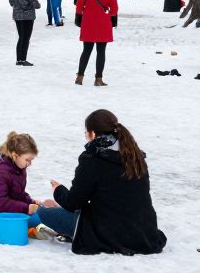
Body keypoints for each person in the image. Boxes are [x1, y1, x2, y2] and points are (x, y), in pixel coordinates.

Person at [48, 109, 167, 254]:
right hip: (144, 235)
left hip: (107, 233)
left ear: (92, 133)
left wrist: (58, 190)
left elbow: (73, 203)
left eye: (86, 133)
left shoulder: (93, 159)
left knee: (44, 212)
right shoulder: (135, 157)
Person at [0, 131, 71, 240]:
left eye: (31, 160)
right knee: (42, 216)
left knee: (45, 211)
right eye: (27, 160)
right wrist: (27, 208)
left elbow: (18, 193)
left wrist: (32, 202)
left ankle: (59, 223)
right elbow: (2, 202)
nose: (29, 163)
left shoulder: (19, 169)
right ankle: (61, 226)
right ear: (15, 156)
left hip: (7, 212)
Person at [75, 0, 118, 86]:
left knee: (86, 51)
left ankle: (80, 77)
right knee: (101, 51)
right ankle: (98, 79)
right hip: (103, 23)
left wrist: (78, 17)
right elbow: (114, 6)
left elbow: (79, 4)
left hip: (88, 22)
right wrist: (113, 18)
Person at [9, 0, 41, 66]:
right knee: (26, 37)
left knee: (21, 37)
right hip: (28, 15)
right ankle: (23, 59)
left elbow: (11, 0)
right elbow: (33, 0)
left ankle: (19, 59)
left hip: (17, 14)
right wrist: (37, 5)